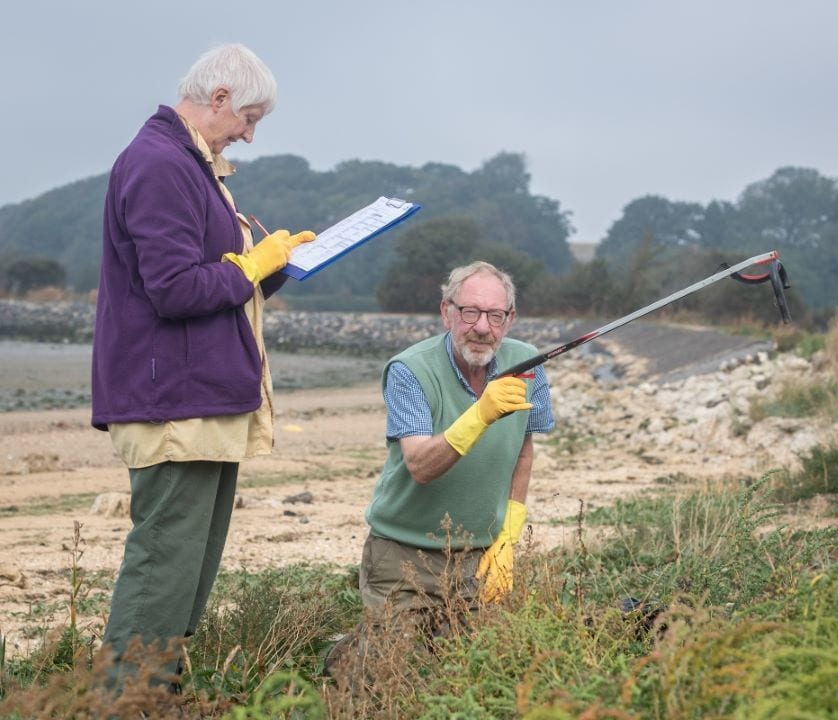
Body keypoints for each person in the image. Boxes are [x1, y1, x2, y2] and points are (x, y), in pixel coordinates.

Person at [91, 44, 315, 687]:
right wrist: (251, 265)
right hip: (172, 402)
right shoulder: (160, 163)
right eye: (248, 117)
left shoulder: (191, 163)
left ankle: (156, 693)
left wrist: (277, 268)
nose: (249, 133)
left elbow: (217, 286)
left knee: (189, 565)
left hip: (201, 397)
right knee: (164, 563)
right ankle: (123, 702)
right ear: (217, 98)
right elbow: (174, 288)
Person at [329, 261, 554, 678]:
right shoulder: (409, 371)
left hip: (479, 557)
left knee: (474, 675)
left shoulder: (528, 364)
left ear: (510, 319)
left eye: (495, 315)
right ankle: (345, 656)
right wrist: (480, 413)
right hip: (401, 555)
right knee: (388, 678)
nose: (482, 327)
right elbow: (420, 466)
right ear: (446, 312)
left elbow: (524, 451)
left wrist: (508, 538)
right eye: (469, 312)